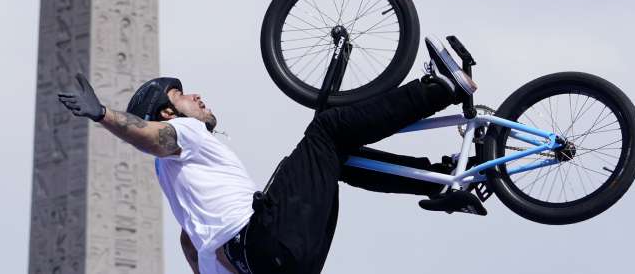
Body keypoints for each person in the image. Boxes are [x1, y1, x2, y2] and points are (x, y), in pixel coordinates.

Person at [57, 37, 478, 274]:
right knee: (326, 131)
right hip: (266, 240)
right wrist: (103, 114)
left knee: (334, 161)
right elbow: (151, 138)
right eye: (182, 94)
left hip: (286, 264)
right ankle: (442, 88)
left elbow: (190, 244)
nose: (197, 95)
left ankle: (443, 180)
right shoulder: (185, 134)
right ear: (168, 112)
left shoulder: (194, 224)